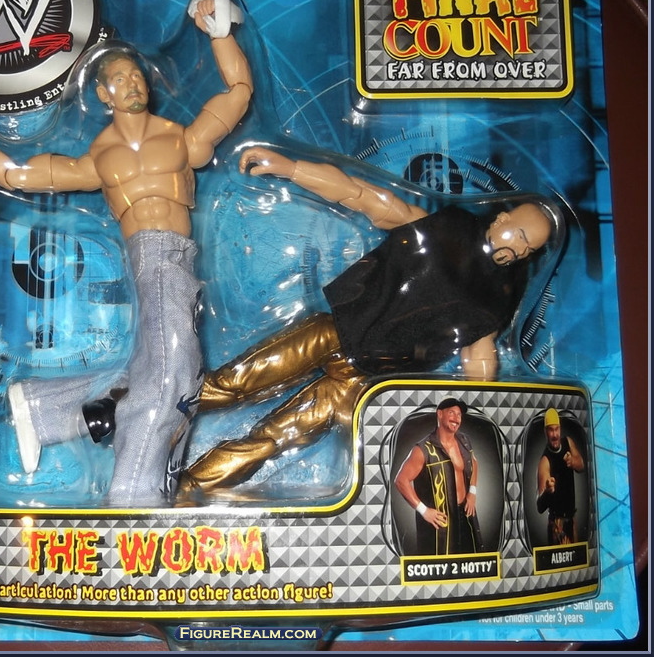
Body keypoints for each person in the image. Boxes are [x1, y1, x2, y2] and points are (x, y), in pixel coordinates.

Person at [0, 0, 253, 507]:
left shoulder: (181, 139)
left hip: (178, 257)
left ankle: (42, 410)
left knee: (154, 368)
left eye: (137, 75)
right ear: (102, 95)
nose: (132, 83)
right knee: (173, 375)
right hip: (151, 258)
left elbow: (237, 91)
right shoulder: (101, 159)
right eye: (118, 79)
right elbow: (16, 174)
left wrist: (219, 31)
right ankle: (134, 496)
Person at [177, 146, 556, 501]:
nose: (520, 250)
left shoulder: (497, 298)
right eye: (521, 236)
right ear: (502, 218)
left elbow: (480, 355)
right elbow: (365, 196)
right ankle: (161, 408)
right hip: (334, 332)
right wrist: (291, 168)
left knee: (269, 441)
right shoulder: (445, 227)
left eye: (530, 249)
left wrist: (480, 413)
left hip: (364, 381)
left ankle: (186, 489)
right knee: (233, 383)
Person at [394, 398, 483, 556]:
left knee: (471, 559)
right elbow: (401, 481)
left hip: (465, 514)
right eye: (452, 413)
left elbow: (474, 462)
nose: (456, 418)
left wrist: (472, 492)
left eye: (459, 415)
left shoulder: (464, 441)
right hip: (441, 521)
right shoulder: (423, 449)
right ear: (440, 414)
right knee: (442, 562)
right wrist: (424, 511)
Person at [536, 408, 584, 545]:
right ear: (546, 432)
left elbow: (581, 465)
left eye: (556, 429)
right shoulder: (545, 461)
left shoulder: (568, 442)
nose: (555, 434)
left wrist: (572, 462)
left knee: (576, 555)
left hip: (571, 519)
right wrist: (547, 491)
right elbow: (540, 506)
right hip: (557, 524)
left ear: (560, 429)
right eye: (551, 430)